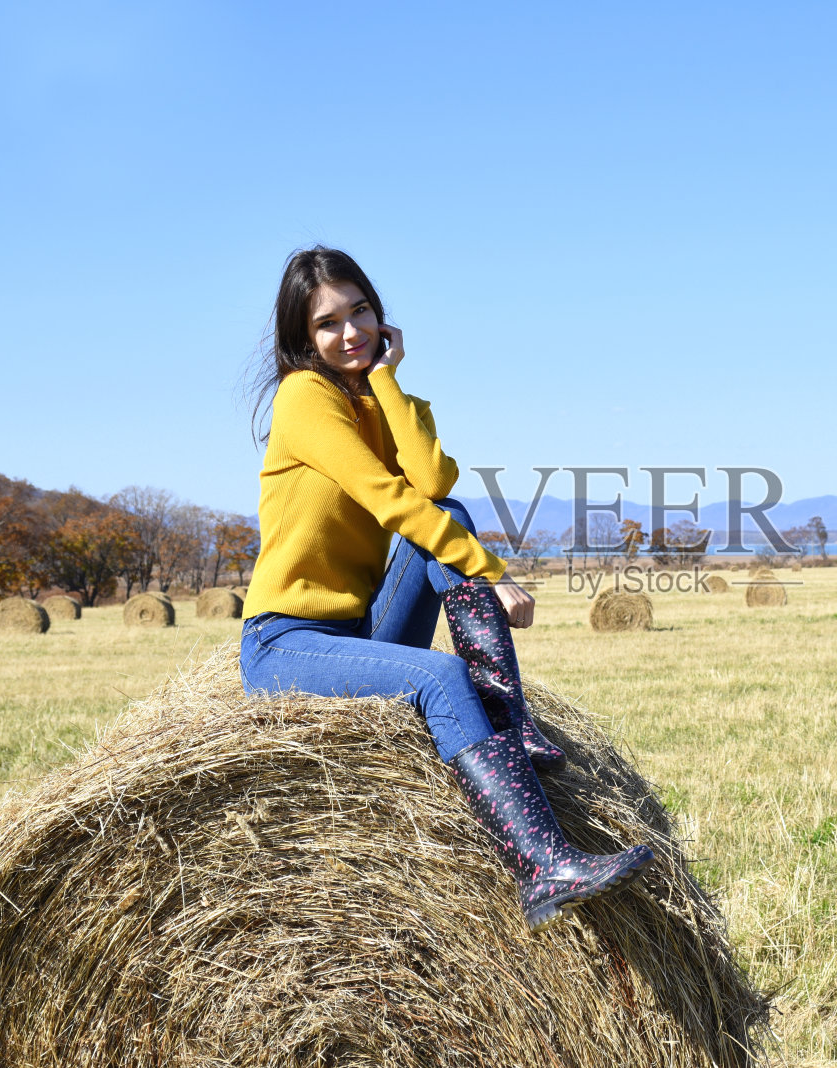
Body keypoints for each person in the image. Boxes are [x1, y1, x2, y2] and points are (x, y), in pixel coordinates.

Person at [239, 246, 653, 931]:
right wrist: (493, 572)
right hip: (288, 642)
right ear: (301, 339)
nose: (350, 332)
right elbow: (388, 498)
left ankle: (508, 724)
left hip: (361, 631)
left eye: (361, 311)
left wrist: (388, 383)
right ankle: (542, 866)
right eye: (328, 324)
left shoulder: (373, 394)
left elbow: (433, 487)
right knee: (437, 677)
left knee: (451, 519)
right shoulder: (303, 398)